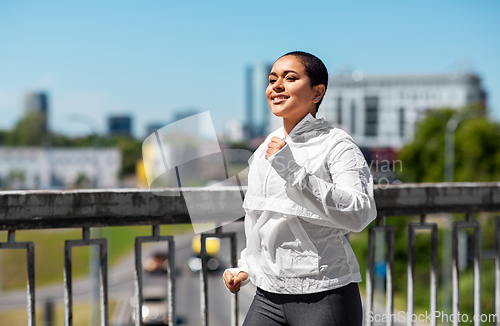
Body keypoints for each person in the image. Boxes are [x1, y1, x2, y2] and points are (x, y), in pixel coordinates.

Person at [222, 51, 377, 326]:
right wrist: (246, 267)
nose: (276, 86)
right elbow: (261, 219)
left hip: (324, 294)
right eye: (272, 80)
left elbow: (359, 213)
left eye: (290, 78)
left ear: (317, 93)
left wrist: (293, 171)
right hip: (267, 296)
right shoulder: (265, 148)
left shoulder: (337, 144)